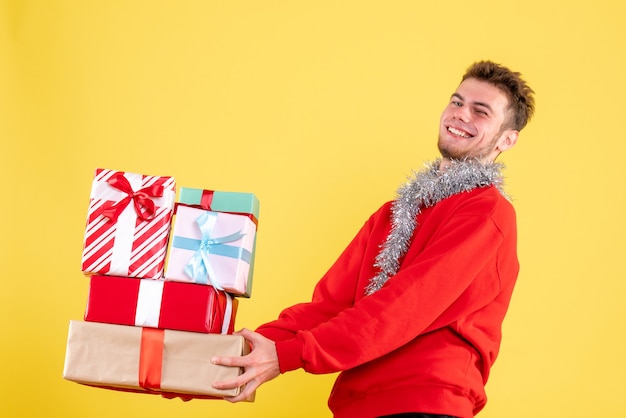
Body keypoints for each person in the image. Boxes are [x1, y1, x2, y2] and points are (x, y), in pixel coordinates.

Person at [211, 60, 535, 418]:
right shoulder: (392, 213)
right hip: (358, 405)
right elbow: (328, 306)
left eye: (481, 111)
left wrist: (289, 354)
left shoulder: (487, 212)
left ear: (508, 139)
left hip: (426, 402)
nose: (461, 115)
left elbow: (407, 303)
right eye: (457, 102)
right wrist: (226, 354)